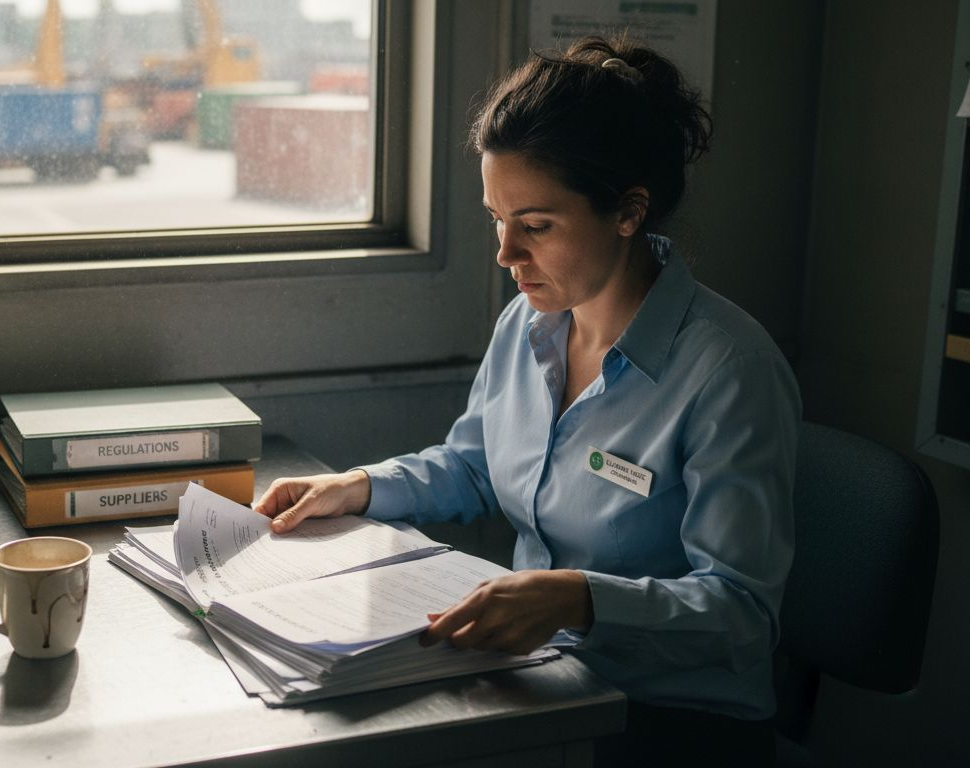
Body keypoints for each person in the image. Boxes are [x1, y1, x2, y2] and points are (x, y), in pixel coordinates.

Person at [254, 34, 800, 768]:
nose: (506, 254)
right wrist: (359, 487)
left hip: (672, 721)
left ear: (629, 211)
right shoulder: (530, 321)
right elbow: (476, 466)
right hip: (547, 680)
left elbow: (742, 614)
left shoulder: (729, 371)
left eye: (536, 226)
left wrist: (581, 599)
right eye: (496, 219)